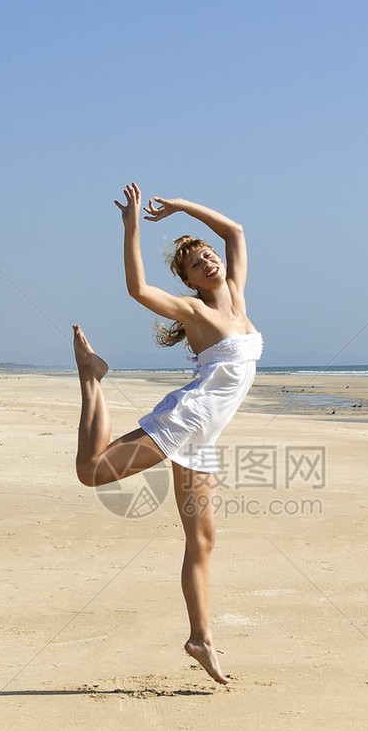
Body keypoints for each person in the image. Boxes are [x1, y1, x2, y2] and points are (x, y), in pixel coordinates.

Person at [73, 183, 262, 684]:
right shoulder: (196, 312)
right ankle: (92, 378)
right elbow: (138, 290)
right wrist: (133, 224)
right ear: (189, 281)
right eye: (197, 264)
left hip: (204, 439)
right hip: (187, 419)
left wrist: (181, 207)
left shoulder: (238, 298)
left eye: (208, 255)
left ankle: (200, 637)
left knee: (202, 542)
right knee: (92, 472)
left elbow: (235, 230)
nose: (208, 262)